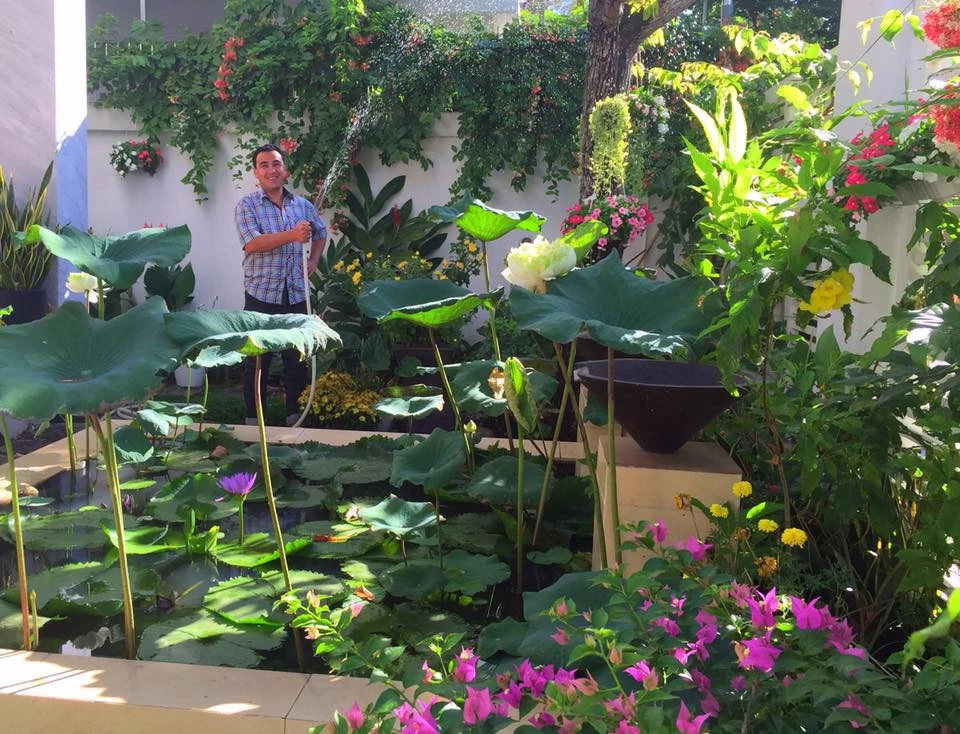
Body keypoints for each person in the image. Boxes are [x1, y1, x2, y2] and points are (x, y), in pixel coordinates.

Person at [235, 143, 326, 425]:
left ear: (284, 169)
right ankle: (254, 420)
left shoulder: (302, 205)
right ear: (256, 172)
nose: (271, 170)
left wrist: (313, 261)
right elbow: (252, 244)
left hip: (296, 292)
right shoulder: (247, 205)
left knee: (296, 358)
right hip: (261, 293)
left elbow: (321, 232)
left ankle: (294, 417)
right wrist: (292, 235)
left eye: (276, 164)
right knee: (257, 361)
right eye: (264, 165)